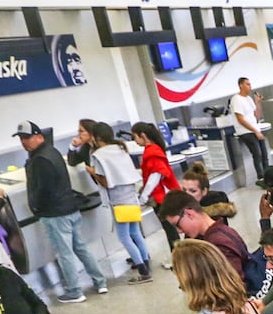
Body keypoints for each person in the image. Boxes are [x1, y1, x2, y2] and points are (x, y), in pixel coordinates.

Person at [15, 120, 108, 303]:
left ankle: (74, 291)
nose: (24, 142)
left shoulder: (39, 159)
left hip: (54, 213)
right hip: (69, 208)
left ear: (39, 137)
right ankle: (100, 281)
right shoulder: (52, 152)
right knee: (80, 248)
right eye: (21, 138)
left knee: (64, 252)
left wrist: (36, 206)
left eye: (27, 137)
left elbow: (41, 188)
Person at [83, 119, 153, 282]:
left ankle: (143, 272)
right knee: (135, 233)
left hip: (118, 202)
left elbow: (106, 182)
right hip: (131, 197)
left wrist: (91, 172)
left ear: (97, 138)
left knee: (124, 237)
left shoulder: (98, 155)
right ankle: (146, 263)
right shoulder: (121, 148)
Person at [160, 188, 250, 281]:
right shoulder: (220, 232)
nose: (179, 231)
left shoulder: (217, 243)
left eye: (177, 224)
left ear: (189, 214)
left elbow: (235, 286)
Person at [133, 121, 182, 262]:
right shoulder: (154, 149)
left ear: (142, 135)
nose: (134, 141)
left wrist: (143, 196)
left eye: (135, 137)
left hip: (162, 197)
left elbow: (155, 176)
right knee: (170, 229)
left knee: (170, 230)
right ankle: (178, 258)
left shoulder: (152, 152)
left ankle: (178, 259)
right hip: (163, 195)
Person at [230, 76, 270, 182]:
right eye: (247, 84)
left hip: (255, 129)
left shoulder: (248, 99)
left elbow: (256, 116)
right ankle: (261, 177)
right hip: (246, 132)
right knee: (257, 154)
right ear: (241, 85)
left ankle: (268, 175)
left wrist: (257, 102)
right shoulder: (236, 99)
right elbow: (240, 119)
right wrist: (255, 131)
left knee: (264, 153)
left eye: (250, 84)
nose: (250, 87)